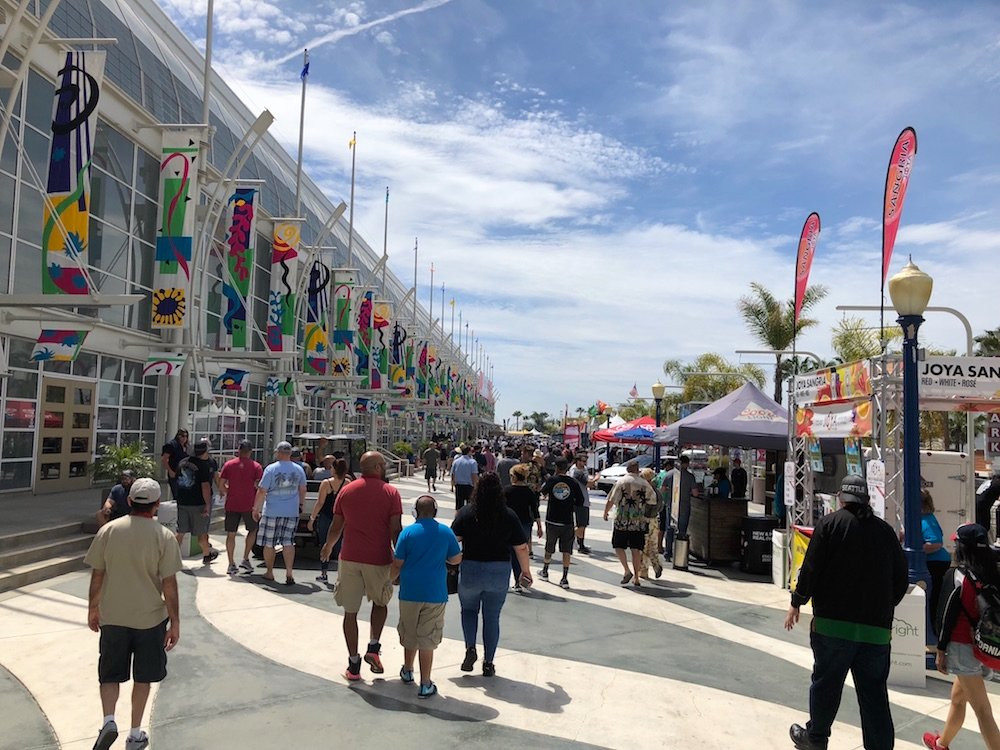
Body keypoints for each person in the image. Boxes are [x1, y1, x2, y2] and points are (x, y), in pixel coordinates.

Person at [785, 474, 908, 750]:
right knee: (875, 695)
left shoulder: (829, 525)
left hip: (832, 627)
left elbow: (811, 568)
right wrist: (885, 607)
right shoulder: (886, 532)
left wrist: (797, 601)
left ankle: (816, 738)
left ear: (841, 498)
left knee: (826, 685)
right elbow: (901, 578)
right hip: (876, 633)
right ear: (866, 499)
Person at [85, 477, 182, 750]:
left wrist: (94, 608)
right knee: (144, 676)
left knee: (110, 673)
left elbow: (97, 574)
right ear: (157, 505)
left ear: (129, 501)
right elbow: (169, 585)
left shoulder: (109, 531)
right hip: (150, 619)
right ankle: (136, 734)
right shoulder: (163, 536)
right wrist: (175, 623)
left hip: (113, 616)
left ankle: (108, 721)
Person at [321, 451, 403, 681]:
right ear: (377, 467)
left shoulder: (346, 489)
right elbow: (395, 530)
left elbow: (337, 526)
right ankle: (373, 647)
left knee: (350, 611)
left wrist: (328, 546)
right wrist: (402, 558)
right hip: (379, 559)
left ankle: (353, 664)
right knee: (380, 602)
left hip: (349, 558)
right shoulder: (390, 492)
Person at [923, 522, 1000, 750]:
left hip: (961, 647)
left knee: (983, 711)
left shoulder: (958, 575)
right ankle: (941, 743)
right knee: (958, 698)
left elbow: (947, 616)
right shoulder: (992, 573)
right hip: (985, 647)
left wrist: (940, 650)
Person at [451, 473, 531, 677]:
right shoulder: (508, 515)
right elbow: (521, 547)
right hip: (498, 571)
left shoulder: (467, 512)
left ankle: (470, 647)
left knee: (468, 611)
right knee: (492, 617)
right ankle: (488, 662)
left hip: (470, 568)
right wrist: (526, 572)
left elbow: (452, 540)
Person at [390, 495, 462, 698]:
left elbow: (398, 563)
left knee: (409, 632)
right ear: (435, 511)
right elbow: (456, 559)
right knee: (427, 638)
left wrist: (389, 581)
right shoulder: (445, 532)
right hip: (435, 592)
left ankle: (407, 670)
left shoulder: (408, 533)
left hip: (410, 591)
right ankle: (426, 683)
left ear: (416, 511)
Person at [252, 441, 307, 585]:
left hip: (272, 510)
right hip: (291, 511)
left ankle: (270, 572)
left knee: (269, 543)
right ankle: (289, 572)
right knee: (288, 542)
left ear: (279, 453)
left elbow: (262, 490)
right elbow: (302, 489)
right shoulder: (299, 469)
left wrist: (256, 508)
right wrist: (301, 505)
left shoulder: (271, 469)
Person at [604, 461, 657, 586]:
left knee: (618, 546)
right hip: (638, 521)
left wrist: (605, 512)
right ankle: (637, 577)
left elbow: (612, 499)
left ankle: (627, 570)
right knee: (636, 549)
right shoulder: (644, 484)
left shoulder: (621, 482)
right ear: (638, 470)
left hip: (621, 519)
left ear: (627, 469)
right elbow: (653, 500)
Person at [539, 457, 586, 589]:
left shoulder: (552, 480)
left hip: (552, 519)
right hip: (567, 521)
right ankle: (564, 578)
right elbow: (580, 501)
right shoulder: (573, 482)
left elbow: (542, 492)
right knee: (567, 550)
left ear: (556, 467)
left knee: (549, 546)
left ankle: (545, 570)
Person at [219, 440, 263, 576]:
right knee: (253, 530)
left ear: (238, 450)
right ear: (250, 451)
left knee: (231, 534)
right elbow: (259, 486)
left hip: (232, 503)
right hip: (249, 504)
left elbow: (221, 484)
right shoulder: (256, 467)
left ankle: (231, 563)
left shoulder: (229, 465)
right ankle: (245, 558)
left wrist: (228, 492)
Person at [173, 440, 218, 565]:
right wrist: (207, 505)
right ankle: (206, 555)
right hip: (198, 504)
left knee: (180, 532)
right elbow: (205, 487)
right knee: (202, 534)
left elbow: (176, 479)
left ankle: (171, 557)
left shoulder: (182, 463)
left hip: (182, 502)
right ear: (205, 451)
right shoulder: (203, 465)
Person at [307, 458, 350, 582]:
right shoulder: (347, 483)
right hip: (342, 517)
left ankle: (324, 573)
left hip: (326, 517)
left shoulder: (326, 483)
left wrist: (312, 518)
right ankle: (341, 575)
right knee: (341, 546)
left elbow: (320, 503)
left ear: (334, 469)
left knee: (325, 544)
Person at [504, 464, 542, 593]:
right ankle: (518, 582)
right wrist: (539, 526)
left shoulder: (506, 491)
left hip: (508, 524)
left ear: (514, 477)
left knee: (507, 552)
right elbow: (535, 510)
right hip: (524, 524)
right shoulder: (529, 492)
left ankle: (504, 581)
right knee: (520, 553)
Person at [921, 489, 951, 636]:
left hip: (937, 563)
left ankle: (934, 631)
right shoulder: (923, 519)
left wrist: (918, 551)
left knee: (934, 599)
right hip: (934, 562)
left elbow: (935, 543)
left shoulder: (927, 520)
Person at [639, 467, 665, 579]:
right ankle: (657, 565)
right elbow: (661, 506)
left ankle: (643, 571)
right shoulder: (657, 492)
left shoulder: (644, 491)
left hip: (645, 520)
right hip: (654, 521)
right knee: (653, 546)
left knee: (643, 547)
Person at [568, 453, 593, 554]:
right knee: (582, 524)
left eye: (585, 461)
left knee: (582, 524)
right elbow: (588, 483)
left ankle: (580, 543)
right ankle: (572, 538)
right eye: (582, 461)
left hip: (583, 498)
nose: (583, 463)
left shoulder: (584, 469)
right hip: (579, 500)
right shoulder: (575, 471)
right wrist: (596, 477)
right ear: (577, 460)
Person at [160, 429, 189, 501]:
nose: (184, 438)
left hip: (186, 474)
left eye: (186, 436)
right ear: (178, 436)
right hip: (175, 473)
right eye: (182, 436)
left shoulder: (187, 446)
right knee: (177, 495)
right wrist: (170, 471)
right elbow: (164, 459)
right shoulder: (171, 445)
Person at [675, 454, 699, 539]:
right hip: (684, 507)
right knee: (682, 531)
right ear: (686, 464)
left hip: (672, 506)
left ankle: (669, 550)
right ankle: (680, 551)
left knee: (670, 529)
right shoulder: (690, 477)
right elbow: (695, 493)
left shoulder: (672, 474)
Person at [656, 458, 675, 556]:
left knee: (661, 525)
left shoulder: (659, 475)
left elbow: (654, 485)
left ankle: (659, 545)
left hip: (660, 502)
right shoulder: (669, 475)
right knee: (666, 526)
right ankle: (663, 547)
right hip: (668, 502)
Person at [450, 445, 479, 511]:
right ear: (469, 452)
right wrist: (476, 486)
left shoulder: (456, 461)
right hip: (469, 486)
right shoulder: (472, 462)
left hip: (459, 486)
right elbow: (474, 475)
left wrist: (452, 485)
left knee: (458, 507)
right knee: (470, 507)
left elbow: (453, 474)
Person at [976, 471, 1000, 538]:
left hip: (979, 503)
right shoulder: (997, 484)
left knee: (982, 524)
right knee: (984, 526)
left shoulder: (988, 482)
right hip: (983, 505)